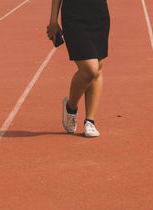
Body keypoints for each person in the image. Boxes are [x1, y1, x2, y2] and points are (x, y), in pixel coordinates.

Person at [47, 0, 110, 137]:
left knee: (98, 67)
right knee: (90, 69)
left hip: (99, 15)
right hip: (74, 15)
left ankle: (90, 121)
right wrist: (53, 20)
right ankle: (71, 106)